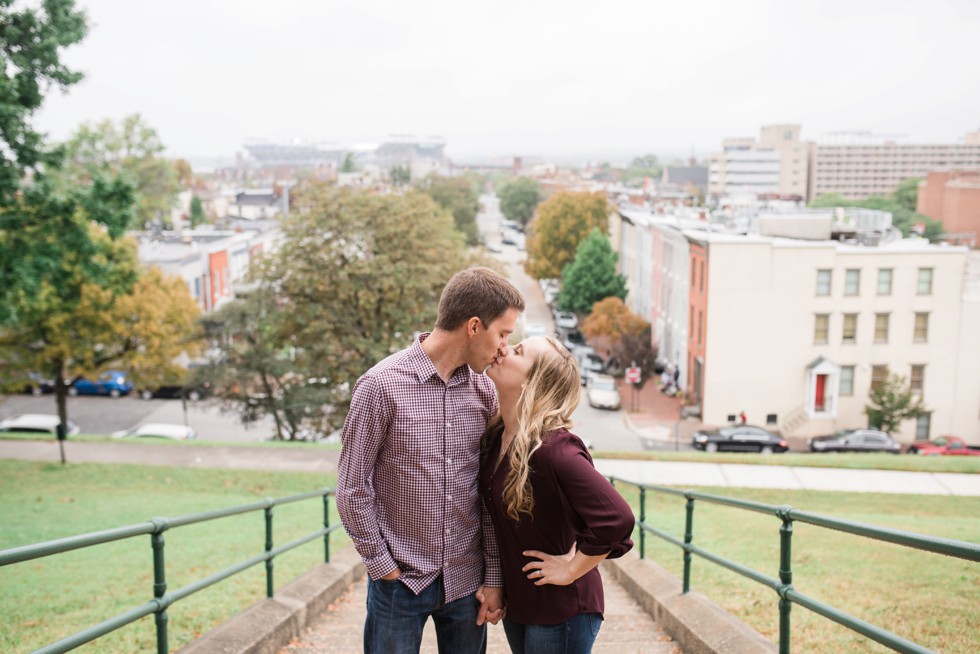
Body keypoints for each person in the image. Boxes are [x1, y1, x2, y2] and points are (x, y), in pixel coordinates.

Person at [337, 267, 526, 654]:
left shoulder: (483, 392)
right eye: (503, 333)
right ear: (474, 326)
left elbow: (488, 492)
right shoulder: (380, 386)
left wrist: (493, 576)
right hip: (398, 584)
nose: (505, 348)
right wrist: (382, 564)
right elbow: (353, 487)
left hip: (465, 585)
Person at [480, 336, 635, 654]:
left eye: (518, 352)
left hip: (563, 610)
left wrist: (571, 568)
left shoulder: (555, 450)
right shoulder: (498, 438)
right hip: (523, 603)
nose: (504, 349)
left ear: (532, 383)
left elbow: (618, 519)